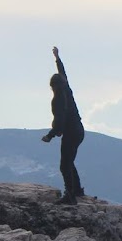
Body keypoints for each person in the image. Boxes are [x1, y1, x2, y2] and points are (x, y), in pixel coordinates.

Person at [41, 46, 84, 204]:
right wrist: (57, 59)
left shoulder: (58, 100)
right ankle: (77, 190)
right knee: (69, 160)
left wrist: (50, 135)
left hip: (71, 132)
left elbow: (60, 122)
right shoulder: (68, 90)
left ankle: (70, 195)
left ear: (53, 87)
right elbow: (63, 74)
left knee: (64, 164)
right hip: (79, 130)